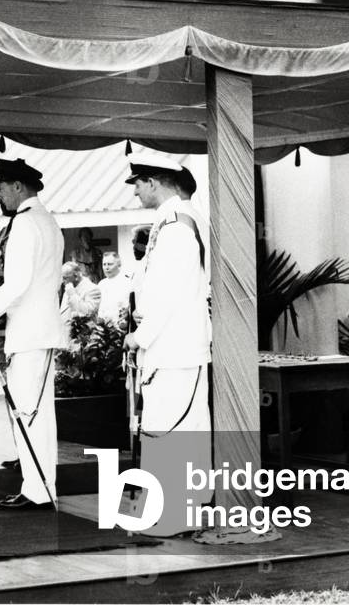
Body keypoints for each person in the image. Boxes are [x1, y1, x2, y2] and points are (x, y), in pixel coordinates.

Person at [0, 158, 65, 510]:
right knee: (36, 414)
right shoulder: (47, 221)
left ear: (18, 187)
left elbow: (17, 282)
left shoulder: (25, 223)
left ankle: (37, 491)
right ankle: (39, 486)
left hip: (31, 332)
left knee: (29, 413)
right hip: (39, 331)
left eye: (2, 189)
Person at [123, 153, 212, 537]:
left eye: (139, 184)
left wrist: (138, 336)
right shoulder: (173, 220)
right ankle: (175, 512)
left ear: (156, 182)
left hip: (174, 348)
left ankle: (175, 516)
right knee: (172, 431)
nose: (137, 192)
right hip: (172, 347)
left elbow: (169, 294)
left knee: (170, 432)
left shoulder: (177, 225)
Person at [60, 261, 101, 330]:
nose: (62, 281)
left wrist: (73, 295)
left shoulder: (92, 289)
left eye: (65, 278)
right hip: (65, 332)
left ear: (76, 276)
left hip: (82, 334)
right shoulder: (69, 287)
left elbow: (88, 312)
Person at [97, 251, 131, 324]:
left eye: (110, 264)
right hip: (103, 327)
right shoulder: (101, 284)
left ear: (119, 265)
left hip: (120, 327)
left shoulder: (127, 282)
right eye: (104, 264)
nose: (106, 268)